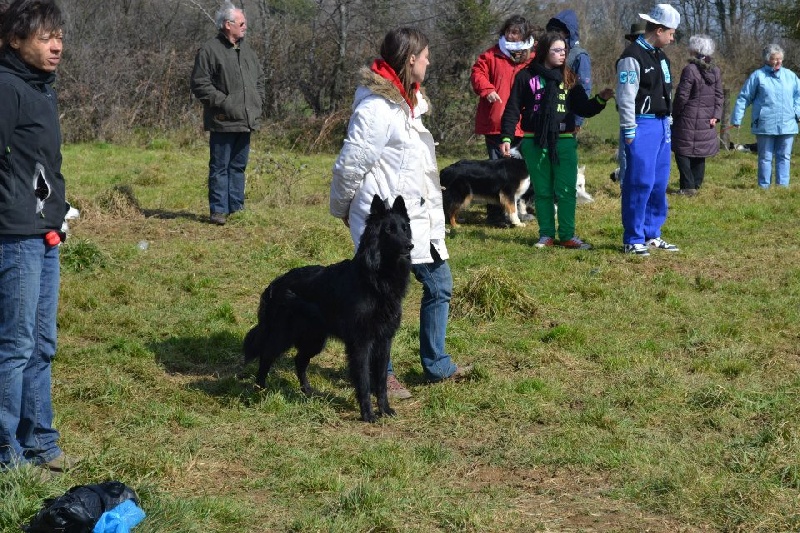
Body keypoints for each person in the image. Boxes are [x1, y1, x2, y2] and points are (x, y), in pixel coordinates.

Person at [330, 28, 472, 399]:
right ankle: (384, 376)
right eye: (425, 55)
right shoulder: (378, 107)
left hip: (413, 219)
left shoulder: (408, 102)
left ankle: (435, 364)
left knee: (438, 285)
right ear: (410, 58)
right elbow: (350, 165)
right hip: (385, 225)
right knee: (383, 299)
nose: (428, 61)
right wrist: (343, 209)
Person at [0, 0, 75, 473]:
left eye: (60, 36)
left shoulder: (40, 87)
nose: (57, 45)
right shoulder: (7, 87)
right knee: (15, 344)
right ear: (14, 40)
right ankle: (6, 454)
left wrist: (57, 212)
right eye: (45, 36)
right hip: (16, 234)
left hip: (46, 229)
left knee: (43, 343)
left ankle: (40, 440)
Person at [500, 31, 614, 250]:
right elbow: (512, 108)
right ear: (544, 51)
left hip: (564, 142)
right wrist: (506, 136)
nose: (563, 54)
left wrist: (601, 99)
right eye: (557, 50)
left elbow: (583, 107)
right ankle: (546, 236)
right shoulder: (526, 76)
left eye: (564, 50)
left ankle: (568, 236)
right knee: (542, 191)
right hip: (535, 142)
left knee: (566, 191)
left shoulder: (569, 77)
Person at [190, 2, 265, 226]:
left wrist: (258, 101)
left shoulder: (248, 51)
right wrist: (225, 104)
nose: (245, 27)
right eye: (241, 23)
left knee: (238, 167)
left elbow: (259, 81)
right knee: (220, 167)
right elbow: (200, 84)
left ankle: (237, 209)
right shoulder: (209, 50)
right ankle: (218, 211)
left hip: (246, 120)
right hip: (223, 121)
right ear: (227, 25)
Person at [616, 4, 681, 256]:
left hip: (663, 125)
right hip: (641, 124)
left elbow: (667, 91)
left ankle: (652, 233)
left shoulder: (661, 56)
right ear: (660, 30)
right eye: (672, 33)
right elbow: (626, 95)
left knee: (658, 182)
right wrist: (629, 128)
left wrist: (670, 121)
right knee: (639, 181)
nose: (673, 38)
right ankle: (633, 237)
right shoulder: (632, 56)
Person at [470, 16, 535, 227]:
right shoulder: (492, 54)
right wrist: (487, 89)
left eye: (516, 32)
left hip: (524, 124)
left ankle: (518, 210)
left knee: (523, 172)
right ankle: (496, 215)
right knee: (497, 171)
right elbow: (477, 73)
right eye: (508, 31)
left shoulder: (532, 58)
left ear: (525, 34)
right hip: (496, 122)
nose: (511, 35)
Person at [731, 43, 800, 188]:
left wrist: (797, 113)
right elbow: (744, 97)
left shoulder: (790, 76)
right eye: (775, 59)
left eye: (780, 59)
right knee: (765, 157)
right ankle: (764, 187)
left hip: (788, 123)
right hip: (765, 123)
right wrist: (737, 118)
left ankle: (782, 187)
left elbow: (798, 96)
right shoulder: (758, 76)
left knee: (784, 157)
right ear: (767, 59)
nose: (778, 62)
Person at [671, 34, 723, 196]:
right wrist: (716, 114)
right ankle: (697, 183)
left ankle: (687, 187)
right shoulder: (715, 70)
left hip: (688, 117)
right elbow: (719, 95)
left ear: (694, 50)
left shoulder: (690, 70)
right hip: (707, 118)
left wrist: (675, 113)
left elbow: (682, 96)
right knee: (700, 151)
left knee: (682, 151)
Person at [611, 22, 647, 186]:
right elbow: (625, 90)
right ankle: (626, 186)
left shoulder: (654, 58)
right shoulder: (627, 59)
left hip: (648, 113)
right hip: (632, 111)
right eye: (637, 38)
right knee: (627, 152)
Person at [546, 10, 592, 130]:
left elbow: (584, 89)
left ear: (567, 33)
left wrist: (578, 121)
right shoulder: (548, 52)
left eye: (557, 31)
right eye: (551, 30)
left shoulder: (579, 56)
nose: (553, 34)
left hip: (568, 116)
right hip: (548, 116)